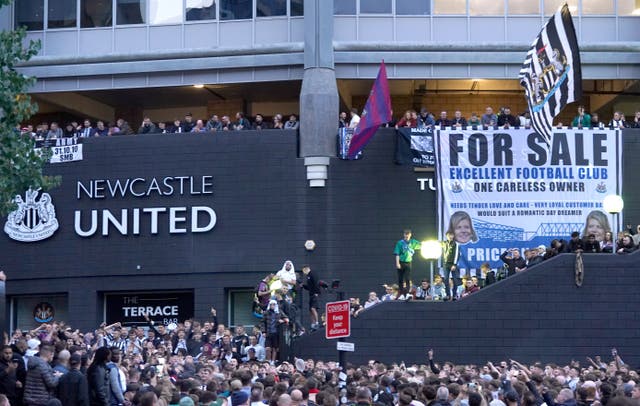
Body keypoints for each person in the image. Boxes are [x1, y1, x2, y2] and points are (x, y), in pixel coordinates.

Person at [393, 229, 421, 300]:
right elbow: (397, 253)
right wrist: (397, 263)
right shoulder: (400, 243)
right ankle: (402, 294)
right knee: (400, 279)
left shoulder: (413, 242)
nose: (407, 236)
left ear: (410, 235)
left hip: (408, 262)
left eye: (408, 235)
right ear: (404, 235)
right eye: (405, 235)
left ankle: (408, 293)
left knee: (407, 278)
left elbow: (421, 244)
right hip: (401, 262)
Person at [301, 265, 321, 331]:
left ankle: (317, 322)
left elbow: (316, 283)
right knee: (310, 310)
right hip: (311, 294)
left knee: (313, 308)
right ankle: (312, 324)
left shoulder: (312, 274)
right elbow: (309, 287)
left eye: (304, 270)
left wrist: (317, 292)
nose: (303, 272)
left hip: (314, 294)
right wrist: (303, 285)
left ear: (306, 269)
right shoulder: (308, 276)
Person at [441, 231, 459, 300]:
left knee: (455, 280)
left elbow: (457, 255)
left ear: (453, 236)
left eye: (451, 235)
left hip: (453, 264)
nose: (450, 237)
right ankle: (448, 295)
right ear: (446, 236)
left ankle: (454, 295)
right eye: (449, 235)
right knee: (446, 279)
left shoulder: (455, 244)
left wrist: (454, 264)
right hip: (446, 264)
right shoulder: (444, 243)